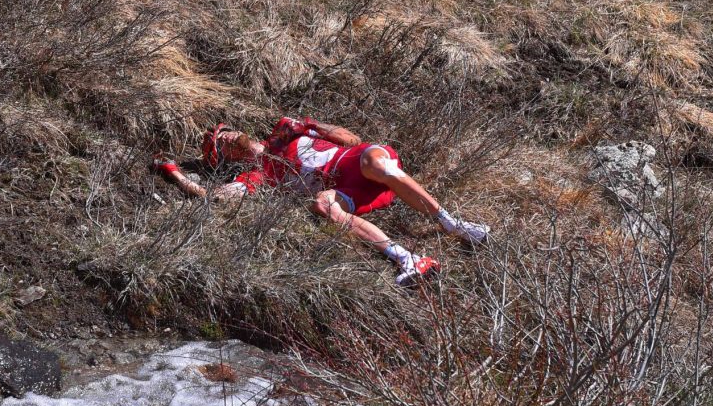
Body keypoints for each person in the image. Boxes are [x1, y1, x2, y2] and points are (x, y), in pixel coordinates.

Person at [152, 116, 489, 287]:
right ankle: (410, 259)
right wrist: (175, 174)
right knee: (323, 206)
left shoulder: (284, 130)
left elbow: (351, 139)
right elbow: (215, 197)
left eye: (220, 131)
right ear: (224, 158)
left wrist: (309, 126)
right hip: (344, 189)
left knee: (378, 163)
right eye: (216, 144)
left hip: (356, 161)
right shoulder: (256, 176)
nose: (220, 136)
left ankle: (453, 225)